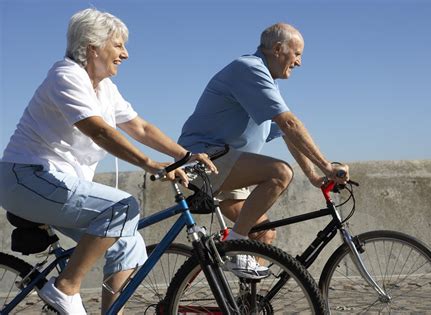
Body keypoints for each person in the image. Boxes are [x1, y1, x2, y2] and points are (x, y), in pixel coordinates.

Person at [0, 8, 216, 315]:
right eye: (118, 45)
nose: (125, 54)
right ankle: (66, 288)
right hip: (26, 177)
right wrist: (149, 163)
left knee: (129, 245)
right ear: (93, 47)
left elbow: (140, 127)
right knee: (123, 207)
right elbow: (98, 130)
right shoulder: (66, 75)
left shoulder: (104, 88)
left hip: (57, 184)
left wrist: (183, 155)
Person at [178, 23, 349, 278]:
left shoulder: (266, 82)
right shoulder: (249, 69)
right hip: (203, 158)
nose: (300, 62)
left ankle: (244, 303)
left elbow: (288, 135)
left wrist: (314, 176)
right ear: (279, 49)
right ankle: (233, 246)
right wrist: (327, 165)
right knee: (280, 173)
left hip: (226, 163)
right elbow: (289, 123)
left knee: (263, 233)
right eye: (297, 54)